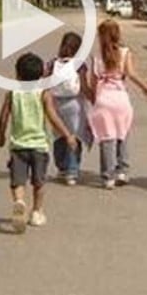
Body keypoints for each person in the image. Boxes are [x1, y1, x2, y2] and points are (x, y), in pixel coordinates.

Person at [0, 53, 79, 233]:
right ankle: (36, 211)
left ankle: (19, 201)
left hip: (18, 146)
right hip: (39, 146)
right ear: (41, 74)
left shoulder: (12, 93)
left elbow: (3, 118)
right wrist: (67, 135)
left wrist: (1, 136)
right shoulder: (43, 93)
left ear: (17, 74)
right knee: (39, 182)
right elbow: (53, 117)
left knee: (18, 181)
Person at [87, 20, 147, 189]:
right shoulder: (125, 52)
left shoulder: (96, 57)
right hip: (121, 100)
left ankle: (108, 177)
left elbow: (93, 84)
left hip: (104, 100)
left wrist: (94, 101)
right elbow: (131, 74)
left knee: (106, 138)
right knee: (122, 134)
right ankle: (122, 171)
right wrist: (146, 87)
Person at [47, 32, 91, 186]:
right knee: (74, 136)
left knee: (59, 136)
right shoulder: (79, 65)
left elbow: (44, 81)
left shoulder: (53, 63)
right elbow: (84, 86)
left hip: (56, 104)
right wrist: (92, 97)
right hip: (74, 104)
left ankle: (62, 167)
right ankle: (72, 170)